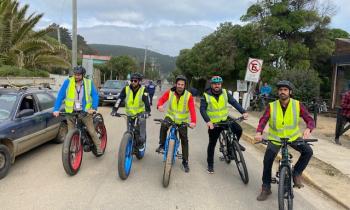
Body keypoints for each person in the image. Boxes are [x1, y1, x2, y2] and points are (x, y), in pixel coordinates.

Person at [255, 80, 315, 201]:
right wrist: (259, 132)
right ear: (278, 92)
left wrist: (309, 129)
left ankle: (296, 173)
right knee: (267, 161)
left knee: (308, 151)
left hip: (292, 137)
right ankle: (266, 187)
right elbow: (263, 120)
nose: (282, 92)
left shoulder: (297, 104)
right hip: (276, 139)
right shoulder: (272, 106)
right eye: (281, 90)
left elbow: (309, 119)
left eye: (285, 90)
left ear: (290, 92)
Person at [200, 76, 248, 174]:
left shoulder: (225, 92)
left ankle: (232, 147)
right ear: (212, 85)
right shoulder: (206, 95)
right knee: (212, 144)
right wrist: (208, 121)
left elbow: (234, 102)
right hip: (214, 123)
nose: (217, 85)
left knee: (238, 129)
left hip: (225, 119)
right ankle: (210, 164)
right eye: (215, 84)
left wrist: (243, 112)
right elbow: (202, 109)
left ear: (221, 84)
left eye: (219, 84)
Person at [53, 66, 102, 154]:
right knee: (70, 133)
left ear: (83, 75)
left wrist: (94, 108)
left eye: (79, 75)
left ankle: (98, 147)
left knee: (91, 130)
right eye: (75, 74)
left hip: (85, 112)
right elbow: (60, 96)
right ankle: (72, 148)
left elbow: (95, 95)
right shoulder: (68, 82)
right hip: (71, 112)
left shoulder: (88, 82)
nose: (77, 76)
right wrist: (56, 109)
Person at [156, 75, 196, 173]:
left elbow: (192, 110)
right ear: (176, 84)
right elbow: (161, 100)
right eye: (178, 84)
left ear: (185, 86)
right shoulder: (170, 92)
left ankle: (185, 161)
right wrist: (159, 106)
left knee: (184, 140)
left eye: (182, 84)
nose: (180, 86)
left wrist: (193, 122)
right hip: (170, 117)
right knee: (164, 125)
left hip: (182, 121)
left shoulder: (188, 95)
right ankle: (162, 144)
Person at [111, 73, 151, 150]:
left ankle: (142, 142)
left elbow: (147, 101)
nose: (133, 82)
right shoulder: (126, 89)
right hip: (129, 113)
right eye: (131, 80)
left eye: (135, 81)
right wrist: (114, 110)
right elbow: (119, 99)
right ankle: (129, 143)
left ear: (139, 81)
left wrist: (147, 112)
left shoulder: (143, 89)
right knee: (129, 130)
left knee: (140, 128)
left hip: (140, 113)